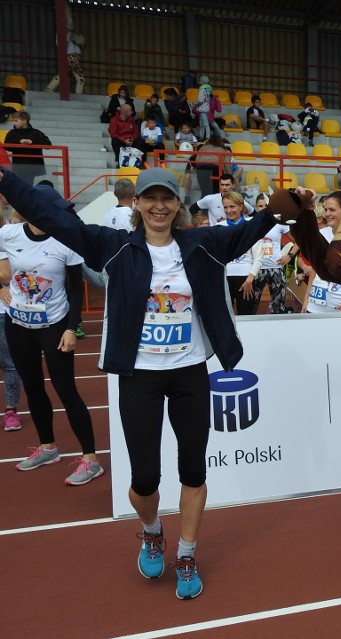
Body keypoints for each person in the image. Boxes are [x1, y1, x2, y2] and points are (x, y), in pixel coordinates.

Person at [0, 166, 283, 599]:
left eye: (167, 198)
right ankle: (152, 531)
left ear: (178, 206)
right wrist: (6, 181)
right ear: (137, 205)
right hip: (139, 376)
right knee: (145, 479)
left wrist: (282, 208)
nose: (159, 206)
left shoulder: (201, 244)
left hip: (189, 372)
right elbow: (54, 217)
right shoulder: (112, 246)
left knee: (193, 468)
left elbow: (246, 232)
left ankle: (187, 554)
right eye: (150, 198)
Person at [0, 188, 101, 485]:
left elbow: (74, 289)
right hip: (17, 325)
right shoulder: (8, 234)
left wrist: (72, 327)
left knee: (66, 389)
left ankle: (91, 459)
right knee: (32, 385)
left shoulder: (65, 239)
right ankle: (48, 448)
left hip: (55, 326)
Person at [305, 191, 341, 314]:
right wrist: (306, 298)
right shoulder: (321, 235)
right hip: (314, 309)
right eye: (325, 209)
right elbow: (315, 269)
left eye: (332, 210)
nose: (327, 214)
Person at [218, 191, 262, 316]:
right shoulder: (218, 227)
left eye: (232, 206)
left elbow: (258, 258)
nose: (228, 210)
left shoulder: (252, 226)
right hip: (224, 279)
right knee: (225, 318)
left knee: (247, 316)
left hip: (246, 279)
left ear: (241, 207)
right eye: (225, 207)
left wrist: (249, 280)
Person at [251, 193, 295, 314]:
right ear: (256, 207)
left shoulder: (279, 223)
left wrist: (289, 255)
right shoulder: (250, 222)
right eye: (260, 206)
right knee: (250, 306)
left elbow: (298, 242)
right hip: (255, 269)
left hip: (275, 268)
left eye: (266, 205)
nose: (263, 208)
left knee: (278, 307)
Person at [0, 224, 23, 432]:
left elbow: (6, 275)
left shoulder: (5, 238)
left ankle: (10, 410)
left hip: (3, 311)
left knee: (9, 364)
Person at [4, 112, 52, 186]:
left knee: (28, 186)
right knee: (19, 186)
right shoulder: (12, 133)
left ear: (24, 121)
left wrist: (32, 142)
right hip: (19, 166)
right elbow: (6, 145)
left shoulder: (37, 133)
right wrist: (19, 142)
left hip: (32, 166)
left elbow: (48, 145)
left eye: (16, 121)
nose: (14, 123)